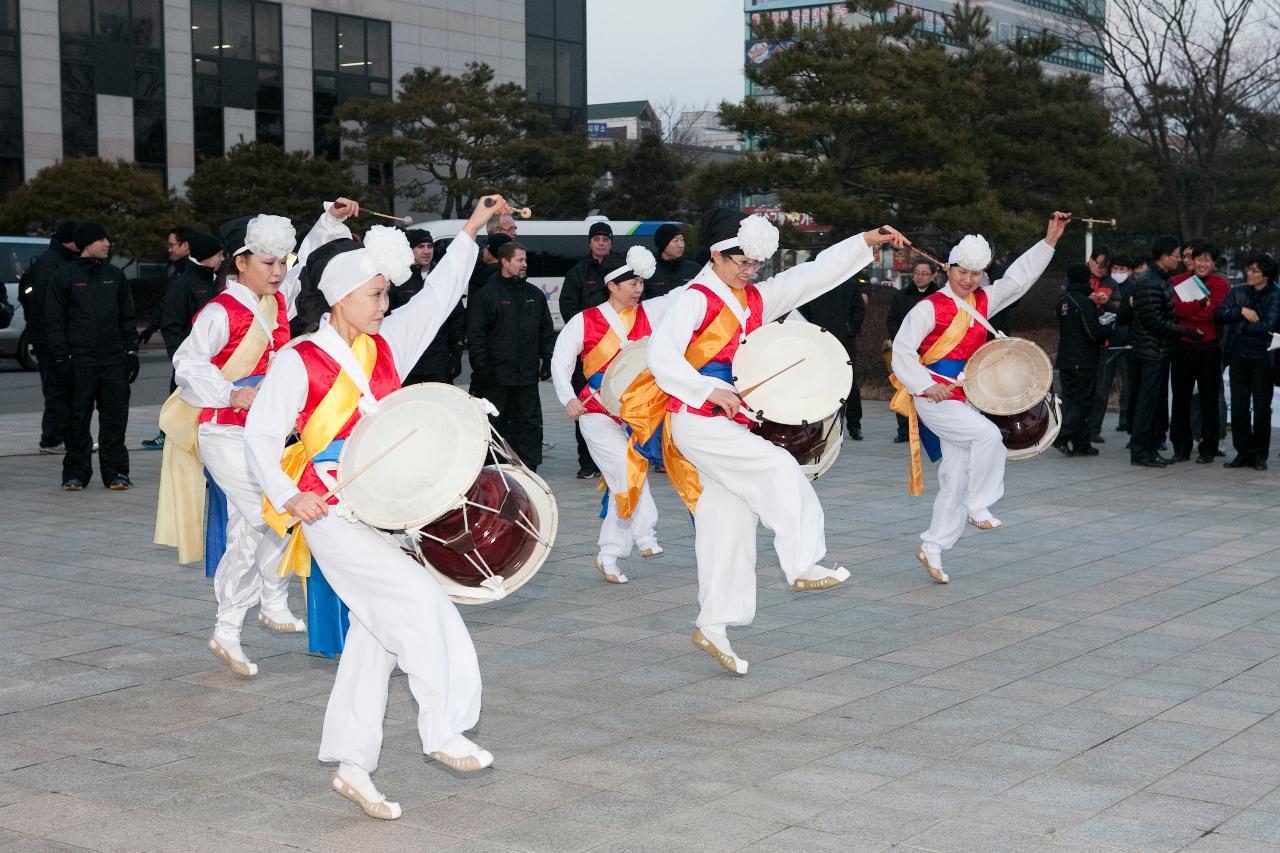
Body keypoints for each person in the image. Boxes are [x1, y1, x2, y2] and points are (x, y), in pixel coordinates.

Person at [244, 196, 507, 821]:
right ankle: (442, 728)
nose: (384, 306)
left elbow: (439, 296)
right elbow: (260, 434)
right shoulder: (298, 359)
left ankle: (353, 765)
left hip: (382, 507)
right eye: (374, 295)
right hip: (330, 513)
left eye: (386, 296)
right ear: (340, 297)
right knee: (421, 604)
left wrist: (469, 232)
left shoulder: (385, 345)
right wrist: (290, 495)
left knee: (375, 639)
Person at [646, 207, 905, 675]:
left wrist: (866, 240)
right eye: (739, 262)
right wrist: (709, 387)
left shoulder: (757, 299)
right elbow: (660, 354)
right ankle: (804, 560)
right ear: (717, 255)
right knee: (779, 468)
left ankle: (714, 623)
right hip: (697, 419)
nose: (747, 272)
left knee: (729, 524)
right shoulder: (693, 298)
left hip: (729, 422)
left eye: (754, 265)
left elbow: (814, 273)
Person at [163, 204, 354, 677]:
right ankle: (257, 607)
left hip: (264, 435)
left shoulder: (272, 301)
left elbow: (307, 259)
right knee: (270, 514)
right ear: (240, 263)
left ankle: (235, 624)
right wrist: (232, 391)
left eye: (280, 262)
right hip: (224, 432)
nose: (278, 271)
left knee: (255, 525)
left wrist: (330, 221)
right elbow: (187, 364)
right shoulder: (220, 311)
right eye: (267, 263)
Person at [890, 213, 1069, 584]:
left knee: (955, 477)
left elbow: (1020, 278)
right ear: (948, 269)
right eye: (962, 272)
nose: (969, 280)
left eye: (976, 273)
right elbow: (902, 354)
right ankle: (981, 502)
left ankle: (933, 546)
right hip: (935, 399)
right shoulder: (927, 308)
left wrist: (1049, 241)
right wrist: (925, 385)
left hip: (965, 396)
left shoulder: (985, 299)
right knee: (988, 437)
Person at [550, 246, 677, 585]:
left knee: (624, 481)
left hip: (637, 415)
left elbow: (688, 293)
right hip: (595, 413)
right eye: (631, 282)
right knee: (629, 469)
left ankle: (608, 556)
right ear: (612, 285)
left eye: (640, 282)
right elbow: (560, 360)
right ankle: (646, 534)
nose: (638, 288)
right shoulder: (585, 320)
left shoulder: (652, 311)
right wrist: (567, 398)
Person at [44, 222, 137, 491]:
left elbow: (127, 317)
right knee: (77, 418)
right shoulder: (65, 276)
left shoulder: (115, 276)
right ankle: (75, 472)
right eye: (101, 239)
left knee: (115, 418)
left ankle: (116, 472)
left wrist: (131, 351)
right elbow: (54, 320)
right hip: (79, 360)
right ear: (86, 244)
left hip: (113, 360)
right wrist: (61, 358)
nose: (107, 244)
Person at [467, 241, 556, 471]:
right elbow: (476, 336)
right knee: (495, 426)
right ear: (505, 262)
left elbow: (546, 331)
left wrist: (548, 359)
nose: (524, 264)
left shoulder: (534, 295)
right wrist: (482, 367)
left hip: (526, 377)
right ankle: (491, 470)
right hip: (497, 378)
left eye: (525, 260)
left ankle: (529, 470)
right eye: (520, 260)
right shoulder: (487, 294)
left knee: (529, 424)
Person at [1129, 237, 1203, 468]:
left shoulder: (1162, 279)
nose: (1179, 259)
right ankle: (1141, 451)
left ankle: (1150, 448)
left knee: (1156, 403)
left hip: (1161, 350)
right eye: (1176, 255)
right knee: (1148, 402)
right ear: (1164, 257)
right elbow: (1154, 321)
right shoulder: (1149, 281)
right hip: (1152, 350)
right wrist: (1186, 331)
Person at [560, 221, 621, 478]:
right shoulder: (578, 272)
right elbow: (568, 307)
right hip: (588, 352)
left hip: (618, 351)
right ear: (590, 243)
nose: (601, 243)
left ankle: (618, 457)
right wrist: (587, 333)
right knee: (585, 404)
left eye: (605, 239)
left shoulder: (620, 269)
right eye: (596, 239)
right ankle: (587, 463)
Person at [1215, 254, 1280, 471]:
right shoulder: (1238, 291)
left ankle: (1260, 454)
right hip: (1238, 356)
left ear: (1267, 275)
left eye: (1254, 270)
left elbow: (1269, 325)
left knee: (1262, 408)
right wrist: (1241, 311)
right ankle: (1243, 452)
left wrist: (1242, 326)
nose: (1249, 273)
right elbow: (1219, 314)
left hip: (1264, 358)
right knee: (1240, 406)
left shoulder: (1276, 295)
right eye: (1248, 269)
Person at [19, 220, 78, 454]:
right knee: (57, 388)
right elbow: (44, 306)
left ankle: (62, 436)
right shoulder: (51, 265)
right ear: (70, 241)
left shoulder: (55, 260)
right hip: (50, 340)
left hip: (52, 338)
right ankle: (52, 438)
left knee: (63, 388)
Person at [1169, 242, 1230, 463]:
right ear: (1191, 261)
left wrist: (1193, 308)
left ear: (1213, 263)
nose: (1202, 264)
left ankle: (1208, 448)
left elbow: (1214, 314)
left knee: (1209, 399)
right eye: (1198, 259)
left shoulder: (1220, 284)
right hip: (1183, 346)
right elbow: (1177, 309)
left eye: (1207, 260)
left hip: (1209, 348)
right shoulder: (1178, 281)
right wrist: (1201, 304)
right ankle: (1181, 447)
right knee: (1181, 399)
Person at [141, 227, 196, 450]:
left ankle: (172, 434)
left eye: (173, 244)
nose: (170, 249)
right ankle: (168, 432)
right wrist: (152, 326)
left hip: (189, 343)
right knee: (176, 389)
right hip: (180, 344)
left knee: (181, 390)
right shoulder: (178, 273)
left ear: (186, 246)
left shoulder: (192, 274)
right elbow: (167, 305)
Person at [391, 229, 465, 385]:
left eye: (429, 246)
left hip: (438, 361)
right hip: (407, 362)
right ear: (410, 250)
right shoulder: (398, 279)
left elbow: (457, 319)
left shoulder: (443, 278)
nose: (426, 251)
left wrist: (456, 355)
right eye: (420, 246)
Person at [798, 272, 866, 439]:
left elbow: (859, 308)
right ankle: (817, 423)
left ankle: (854, 424)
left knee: (848, 382)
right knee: (816, 381)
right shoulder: (812, 285)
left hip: (844, 342)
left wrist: (850, 329)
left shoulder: (849, 284)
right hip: (817, 342)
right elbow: (802, 311)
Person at [1055, 263, 1110, 457]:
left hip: (1065, 358)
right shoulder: (1083, 302)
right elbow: (1092, 331)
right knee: (1084, 401)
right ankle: (1062, 435)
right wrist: (1108, 327)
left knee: (1071, 400)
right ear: (1086, 279)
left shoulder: (1063, 300)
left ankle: (1081, 443)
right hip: (1083, 359)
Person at [886, 260, 940, 442]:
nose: (919, 276)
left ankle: (931, 429)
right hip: (907, 351)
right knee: (905, 387)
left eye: (924, 273)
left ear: (933, 276)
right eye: (916, 272)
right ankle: (904, 430)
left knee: (929, 388)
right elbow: (892, 321)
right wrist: (903, 341)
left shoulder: (940, 297)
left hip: (932, 351)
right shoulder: (901, 296)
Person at [159, 232, 224, 362]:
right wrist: (183, 362)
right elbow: (171, 327)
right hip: (192, 363)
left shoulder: (218, 280)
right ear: (206, 257)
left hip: (217, 361)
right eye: (219, 255)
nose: (222, 259)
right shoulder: (182, 284)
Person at [1089, 254, 1133, 437]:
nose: (1117, 273)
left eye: (1122, 269)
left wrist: (1109, 305)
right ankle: (1090, 427)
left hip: (1123, 342)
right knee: (1099, 387)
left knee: (1125, 385)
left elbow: (1122, 313)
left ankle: (1124, 419)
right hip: (1099, 342)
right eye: (1115, 269)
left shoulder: (1127, 287)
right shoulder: (1086, 280)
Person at [645, 223, 700, 299]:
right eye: (676, 240)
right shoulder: (648, 271)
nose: (681, 245)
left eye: (682, 240)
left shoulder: (694, 269)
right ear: (663, 244)